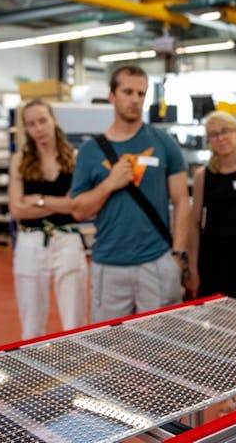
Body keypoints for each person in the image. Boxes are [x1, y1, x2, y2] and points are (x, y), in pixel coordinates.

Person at [71, 65, 190, 322]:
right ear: (112, 96)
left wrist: (178, 256)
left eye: (141, 93)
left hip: (157, 263)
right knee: (110, 348)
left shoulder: (164, 143)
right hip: (109, 266)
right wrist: (109, 184)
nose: (135, 99)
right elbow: (79, 210)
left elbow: (182, 202)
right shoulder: (91, 151)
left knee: (162, 343)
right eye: (127, 92)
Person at [8, 99, 87, 340]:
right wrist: (59, 204)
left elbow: (76, 207)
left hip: (68, 239)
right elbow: (17, 210)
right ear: (26, 129)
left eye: (42, 120)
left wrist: (39, 200)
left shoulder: (74, 158)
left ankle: (78, 369)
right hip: (30, 242)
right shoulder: (19, 160)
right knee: (31, 324)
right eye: (31, 124)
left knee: (75, 321)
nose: (38, 128)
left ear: (54, 120)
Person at [187, 111, 236, 301]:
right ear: (208, 141)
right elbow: (194, 223)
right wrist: (192, 268)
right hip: (213, 257)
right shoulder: (202, 175)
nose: (220, 138)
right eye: (214, 134)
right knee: (214, 320)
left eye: (225, 131)